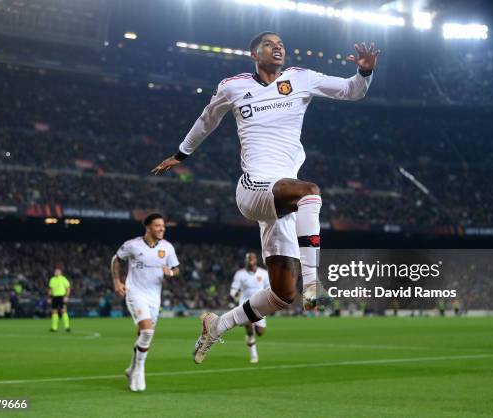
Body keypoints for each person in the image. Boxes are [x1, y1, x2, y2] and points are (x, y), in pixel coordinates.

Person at [152, 31, 379, 364]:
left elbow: (351, 91)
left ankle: (217, 324)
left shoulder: (301, 78)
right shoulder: (233, 86)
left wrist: (364, 72)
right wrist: (181, 154)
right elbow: (207, 120)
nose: (279, 47)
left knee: (283, 296)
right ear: (253, 53)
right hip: (253, 188)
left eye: (282, 44)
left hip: (281, 203)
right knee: (311, 193)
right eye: (270, 44)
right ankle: (315, 283)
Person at [111, 213, 180, 392]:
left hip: (154, 297)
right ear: (148, 227)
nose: (162, 229)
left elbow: (176, 269)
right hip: (135, 292)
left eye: (163, 226)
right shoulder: (132, 245)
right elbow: (116, 259)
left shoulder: (167, 247)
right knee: (147, 332)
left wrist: (170, 273)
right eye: (158, 226)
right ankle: (139, 370)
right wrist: (117, 281)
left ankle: (131, 369)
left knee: (142, 335)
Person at [229, 252, 270, 363]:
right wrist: (233, 295)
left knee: (260, 332)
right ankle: (254, 354)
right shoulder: (240, 274)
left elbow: (268, 288)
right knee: (248, 325)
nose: (250, 260)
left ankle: (250, 334)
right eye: (248, 258)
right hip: (245, 304)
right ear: (246, 260)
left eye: (252, 258)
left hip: (260, 305)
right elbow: (233, 289)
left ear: (256, 260)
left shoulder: (264, 273)